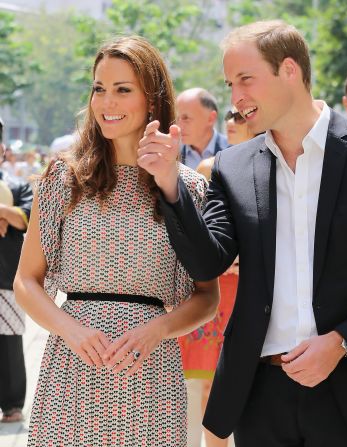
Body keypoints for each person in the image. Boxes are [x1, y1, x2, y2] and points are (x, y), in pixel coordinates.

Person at [138, 20, 347, 447]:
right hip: (260, 397)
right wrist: (169, 185)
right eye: (230, 84)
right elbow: (207, 262)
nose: (237, 98)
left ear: (289, 69)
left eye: (246, 79)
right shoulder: (233, 166)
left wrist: (342, 342)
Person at [14, 36, 219, 447]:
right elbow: (25, 282)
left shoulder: (188, 188)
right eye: (99, 89)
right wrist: (71, 331)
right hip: (71, 364)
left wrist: (157, 331)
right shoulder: (63, 179)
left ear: (153, 99)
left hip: (150, 370)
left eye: (123, 90)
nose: (107, 102)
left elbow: (206, 297)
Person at [183, 107, 253, 447]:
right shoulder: (210, 170)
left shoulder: (280, 164)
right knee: (208, 382)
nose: (236, 124)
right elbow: (199, 233)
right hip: (216, 287)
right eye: (234, 121)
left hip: (255, 289)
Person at [0, 117, 33, 423]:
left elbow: (27, 218)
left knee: (9, 341)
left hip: (5, 274)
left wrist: (4, 212)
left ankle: (12, 405)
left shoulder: (17, 186)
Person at [176, 88, 227, 170]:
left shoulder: (233, 151)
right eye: (177, 119)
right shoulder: (171, 156)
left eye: (186, 118)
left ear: (211, 118)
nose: (179, 126)